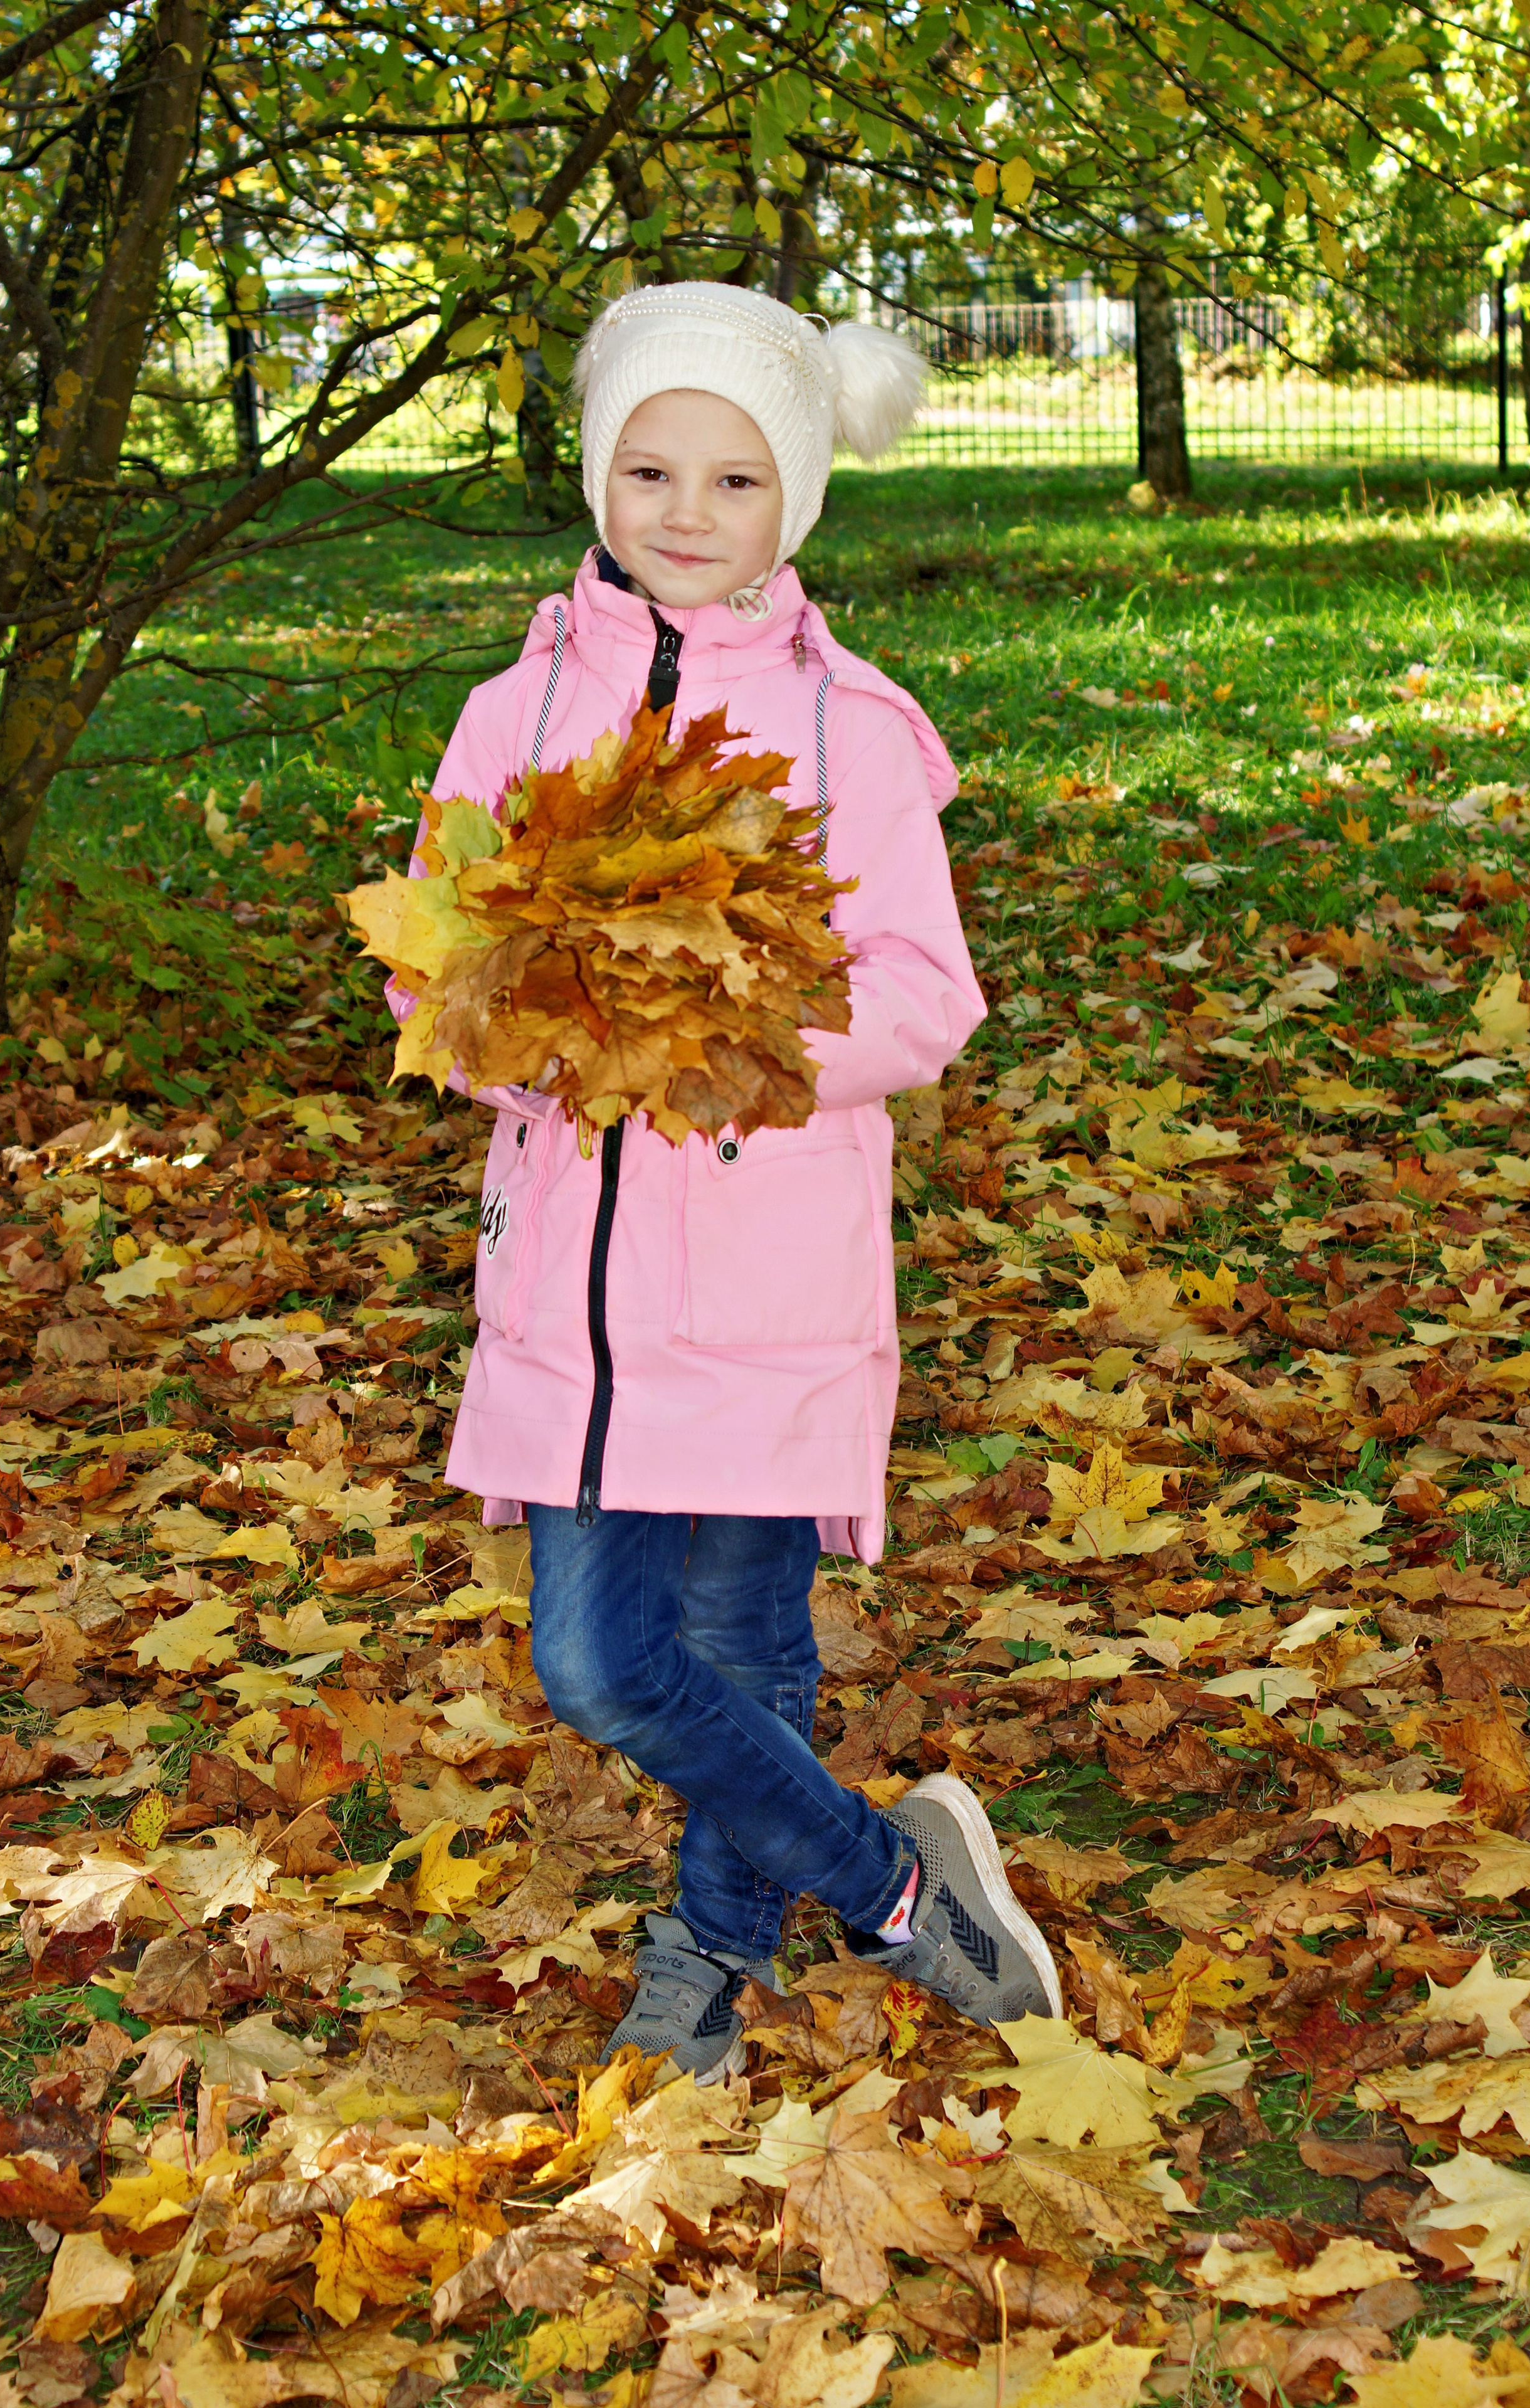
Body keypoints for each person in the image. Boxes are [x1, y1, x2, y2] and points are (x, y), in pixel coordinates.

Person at [389, 282, 1060, 2080]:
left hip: (770, 1276)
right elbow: (430, 964)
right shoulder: (516, 706)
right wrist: (516, 1027)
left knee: (743, 1641)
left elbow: (928, 995)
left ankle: (708, 1953)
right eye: (652, 466)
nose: (687, 512)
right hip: (569, 1299)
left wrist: (717, 1046)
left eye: (739, 479)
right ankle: (891, 1880)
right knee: (601, 1666)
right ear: (601, 472)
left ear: (800, 500)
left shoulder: (855, 729)